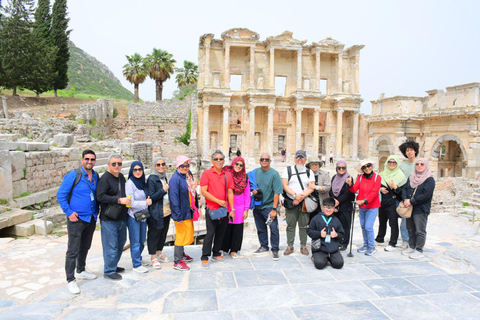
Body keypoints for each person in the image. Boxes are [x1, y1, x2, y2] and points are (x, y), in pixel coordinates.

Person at [57, 149, 99, 294]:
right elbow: (60, 195)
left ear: (95, 161)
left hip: (91, 218)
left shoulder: (95, 175)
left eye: (92, 159)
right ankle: (70, 279)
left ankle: (80, 270)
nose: (89, 162)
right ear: (82, 160)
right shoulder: (73, 175)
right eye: (87, 159)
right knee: (73, 250)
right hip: (77, 218)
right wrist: (68, 212)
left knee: (85, 246)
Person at [97, 154, 131, 280]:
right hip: (109, 218)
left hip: (121, 217)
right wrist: (118, 200)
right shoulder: (105, 178)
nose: (117, 166)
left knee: (120, 242)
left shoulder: (121, 177)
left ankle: (113, 265)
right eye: (114, 164)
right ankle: (109, 270)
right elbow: (100, 197)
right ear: (108, 165)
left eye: (119, 164)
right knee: (110, 245)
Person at [200, 150, 235, 269]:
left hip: (224, 209)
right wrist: (218, 201)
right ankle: (205, 256)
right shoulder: (206, 173)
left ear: (224, 161)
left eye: (221, 159)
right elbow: (203, 191)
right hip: (212, 208)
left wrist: (232, 209)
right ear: (212, 161)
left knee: (221, 232)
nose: (219, 161)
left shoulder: (227, 175)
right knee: (210, 233)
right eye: (216, 159)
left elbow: (230, 192)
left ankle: (216, 253)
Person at [248, 153, 283, 260]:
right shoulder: (255, 172)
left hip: (269, 206)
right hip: (258, 205)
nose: (264, 161)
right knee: (260, 228)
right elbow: (248, 183)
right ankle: (264, 246)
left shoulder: (274, 174)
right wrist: (252, 190)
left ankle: (275, 249)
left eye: (266, 159)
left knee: (273, 228)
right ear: (259, 161)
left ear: (270, 161)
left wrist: (274, 209)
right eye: (262, 159)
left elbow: (277, 193)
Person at [282, 150, 315, 256]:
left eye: (302, 158)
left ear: (305, 160)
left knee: (303, 225)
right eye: (298, 158)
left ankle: (303, 245)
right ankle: (290, 245)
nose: (300, 160)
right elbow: (285, 185)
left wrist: (301, 197)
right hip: (291, 201)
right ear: (295, 158)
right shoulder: (288, 170)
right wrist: (295, 195)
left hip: (304, 201)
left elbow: (311, 187)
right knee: (290, 225)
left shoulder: (309, 172)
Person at [401, 158, 435, 259]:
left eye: (422, 164)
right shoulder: (412, 176)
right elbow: (405, 188)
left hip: (420, 208)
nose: (419, 166)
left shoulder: (429, 179)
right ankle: (412, 246)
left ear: (426, 166)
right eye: (417, 164)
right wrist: (405, 199)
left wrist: (411, 201)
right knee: (410, 228)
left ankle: (419, 249)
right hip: (409, 207)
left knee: (420, 230)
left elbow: (426, 195)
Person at [346, 159, 381, 256]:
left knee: (368, 226)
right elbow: (354, 189)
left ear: (372, 166)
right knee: (363, 226)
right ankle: (365, 245)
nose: (367, 168)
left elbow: (374, 192)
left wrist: (364, 200)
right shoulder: (360, 177)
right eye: (364, 167)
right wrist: (350, 184)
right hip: (362, 206)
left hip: (372, 206)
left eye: (368, 165)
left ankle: (371, 246)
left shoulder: (377, 177)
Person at [169, 155, 197, 271]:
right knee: (180, 236)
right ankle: (177, 261)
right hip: (180, 213)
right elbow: (173, 199)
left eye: (187, 165)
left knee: (186, 233)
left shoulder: (186, 175)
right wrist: (177, 216)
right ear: (178, 166)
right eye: (183, 166)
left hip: (187, 210)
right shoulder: (175, 179)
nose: (185, 167)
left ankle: (182, 254)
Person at [375, 155, 406, 252]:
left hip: (393, 202)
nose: (392, 164)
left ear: (397, 164)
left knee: (393, 223)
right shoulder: (381, 174)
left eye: (394, 162)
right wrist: (380, 189)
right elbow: (375, 187)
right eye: (390, 162)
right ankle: (380, 238)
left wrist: (395, 187)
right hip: (383, 202)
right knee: (382, 221)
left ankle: (393, 242)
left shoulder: (400, 175)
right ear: (386, 163)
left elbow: (403, 192)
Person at [221, 156, 250, 258]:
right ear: (233, 163)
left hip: (240, 206)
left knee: (237, 228)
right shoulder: (227, 174)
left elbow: (247, 194)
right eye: (236, 164)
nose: (238, 166)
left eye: (241, 165)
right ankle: (224, 248)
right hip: (228, 204)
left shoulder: (245, 177)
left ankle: (234, 249)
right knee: (226, 227)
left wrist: (246, 209)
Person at [125, 161, 151, 273]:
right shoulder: (130, 184)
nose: (138, 172)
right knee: (135, 240)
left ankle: (138, 258)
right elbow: (129, 203)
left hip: (143, 215)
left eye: (140, 169)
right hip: (133, 216)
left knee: (141, 240)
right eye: (135, 170)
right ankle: (136, 264)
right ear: (131, 171)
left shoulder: (143, 182)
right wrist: (145, 203)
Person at [307, 197, 345, 270]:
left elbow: (342, 234)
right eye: (326, 207)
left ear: (334, 208)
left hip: (333, 248)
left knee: (339, 264)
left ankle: (329, 258)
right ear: (322, 207)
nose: (328, 210)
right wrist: (319, 234)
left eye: (331, 208)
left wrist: (336, 235)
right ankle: (317, 256)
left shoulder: (336, 220)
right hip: (320, 248)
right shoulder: (316, 218)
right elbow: (309, 231)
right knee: (319, 265)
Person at [147, 157, 170, 269]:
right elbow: (151, 197)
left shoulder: (164, 176)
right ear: (154, 166)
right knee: (154, 233)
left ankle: (159, 253)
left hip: (166, 210)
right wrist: (163, 190)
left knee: (163, 232)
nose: (161, 166)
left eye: (163, 164)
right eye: (158, 165)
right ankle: (153, 257)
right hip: (156, 210)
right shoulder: (152, 179)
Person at [329, 160, 355, 251]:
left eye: (343, 168)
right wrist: (334, 201)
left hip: (345, 206)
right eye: (339, 168)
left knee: (346, 225)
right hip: (336, 206)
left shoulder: (349, 178)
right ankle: (337, 241)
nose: (341, 169)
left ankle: (344, 243)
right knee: (336, 225)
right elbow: (331, 191)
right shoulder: (334, 178)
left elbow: (349, 193)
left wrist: (338, 201)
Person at [398, 140, 420, 248]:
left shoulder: (420, 164)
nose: (410, 152)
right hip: (406, 194)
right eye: (407, 150)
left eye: (411, 150)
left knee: (417, 220)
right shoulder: (402, 165)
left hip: (417, 194)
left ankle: (416, 241)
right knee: (404, 219)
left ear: (415, 151)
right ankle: (405, 240)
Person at [306, 155, 331, 222]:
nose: (314, 165)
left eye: (316, 164)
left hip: (321, 202)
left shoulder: (324, 174)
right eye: (312, 164)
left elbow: (327, 187)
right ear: (309, 165)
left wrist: (316, 187)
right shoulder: (305, 175)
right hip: (310, 203)